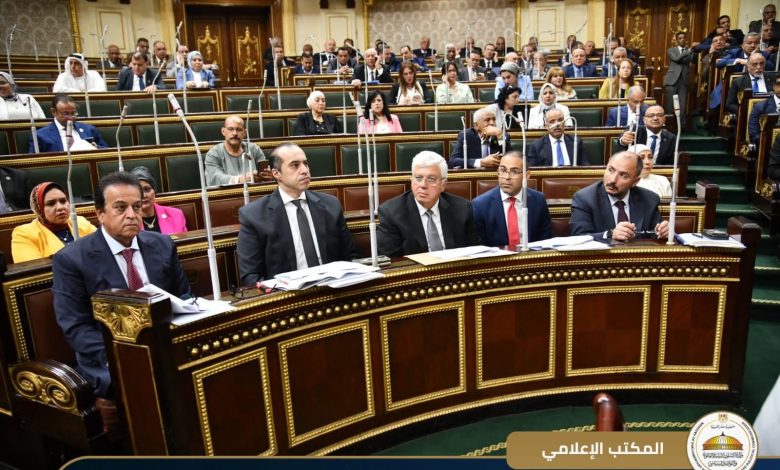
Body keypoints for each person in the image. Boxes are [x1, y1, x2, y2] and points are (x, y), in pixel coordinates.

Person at [52, 171, 191, 437]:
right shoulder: (72, 260)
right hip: (106, 357)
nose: (131, 215)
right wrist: (129, 357)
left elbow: (183, 297)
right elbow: (76, 328)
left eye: (136, 207)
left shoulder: (162, 245)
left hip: (164, 346)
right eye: (120, 207)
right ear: (100, 214)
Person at [237, 143, 359, 284]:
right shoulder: (254, 215)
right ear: (276, 174)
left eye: (305, 164)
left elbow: (350, 256)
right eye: (295, 165)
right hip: (286, 294)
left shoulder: (331, 205)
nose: (304, 170)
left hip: (332, 288)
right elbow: (251, 275)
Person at [378, 151, 480, 257]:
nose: (423, 185)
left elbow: (474, 250)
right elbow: (390, 258)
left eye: (431, 179)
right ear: (411, 180)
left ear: (443, 184)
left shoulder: (462, 208)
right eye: (418, 178)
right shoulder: (391, 212)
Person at [570, 151, 669, 241]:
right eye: (611, 170)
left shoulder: (649, 199)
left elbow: (653, 233)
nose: (612, 180)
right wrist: (609, 234)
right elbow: (579, 237)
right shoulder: (585, 198)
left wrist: (662, 232)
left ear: (635, 182)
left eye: (624, 175)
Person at [472, 151, 552, 247]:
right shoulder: (480, 205)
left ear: (527, 176)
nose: (507, 177)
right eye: (503, 170)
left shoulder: (538, 200)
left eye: (514, 172)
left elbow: (545, 241)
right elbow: (480, 247)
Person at [12, 182, 97, 263]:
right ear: (39, 209)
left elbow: (102, 248)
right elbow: (33, 269)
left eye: (63, 201)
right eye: (51, 203)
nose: (60, 207)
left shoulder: (80, 222)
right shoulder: (24, 234)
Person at [30, 94, 108, 153]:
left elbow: (106, 151)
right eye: (65, 114)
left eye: (73, 113)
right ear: (53, 112)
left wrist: (96, 147)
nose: (70, 117)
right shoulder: (40, 136)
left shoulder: (89, 129)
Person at [205, 115, 270, 185]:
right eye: (230, 129)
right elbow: (215, 178)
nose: (235, 133)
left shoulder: (254, 149)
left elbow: (264, 174)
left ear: (245, 133)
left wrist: (268, 176)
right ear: (223, 131)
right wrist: (240, 179)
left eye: (239, 130)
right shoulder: (213, 153)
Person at [130, 166, 187, 235]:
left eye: (147, 189)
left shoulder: (176, 215)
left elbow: (185, 241)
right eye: (139, 191)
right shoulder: (129, 220)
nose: (144, 195)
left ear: (154, 191)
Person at [663, 32, 692, 127]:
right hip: (672, 80)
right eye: (680, 38)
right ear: (676, 40)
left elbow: (687, 60)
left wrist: (687, 52)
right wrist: (686, 52)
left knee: (682, 103)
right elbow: (676, 59)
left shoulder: (689, 51)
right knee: (669, 103)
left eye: (684, 38)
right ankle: (668, 124)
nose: (682, 39)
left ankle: (681, 125)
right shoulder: (671, 50)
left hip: (684, 79)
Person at [749, 76, 780, 144]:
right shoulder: (760, 107)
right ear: (774, 87)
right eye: (779, 85)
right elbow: (754, 135)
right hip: (768, 144)